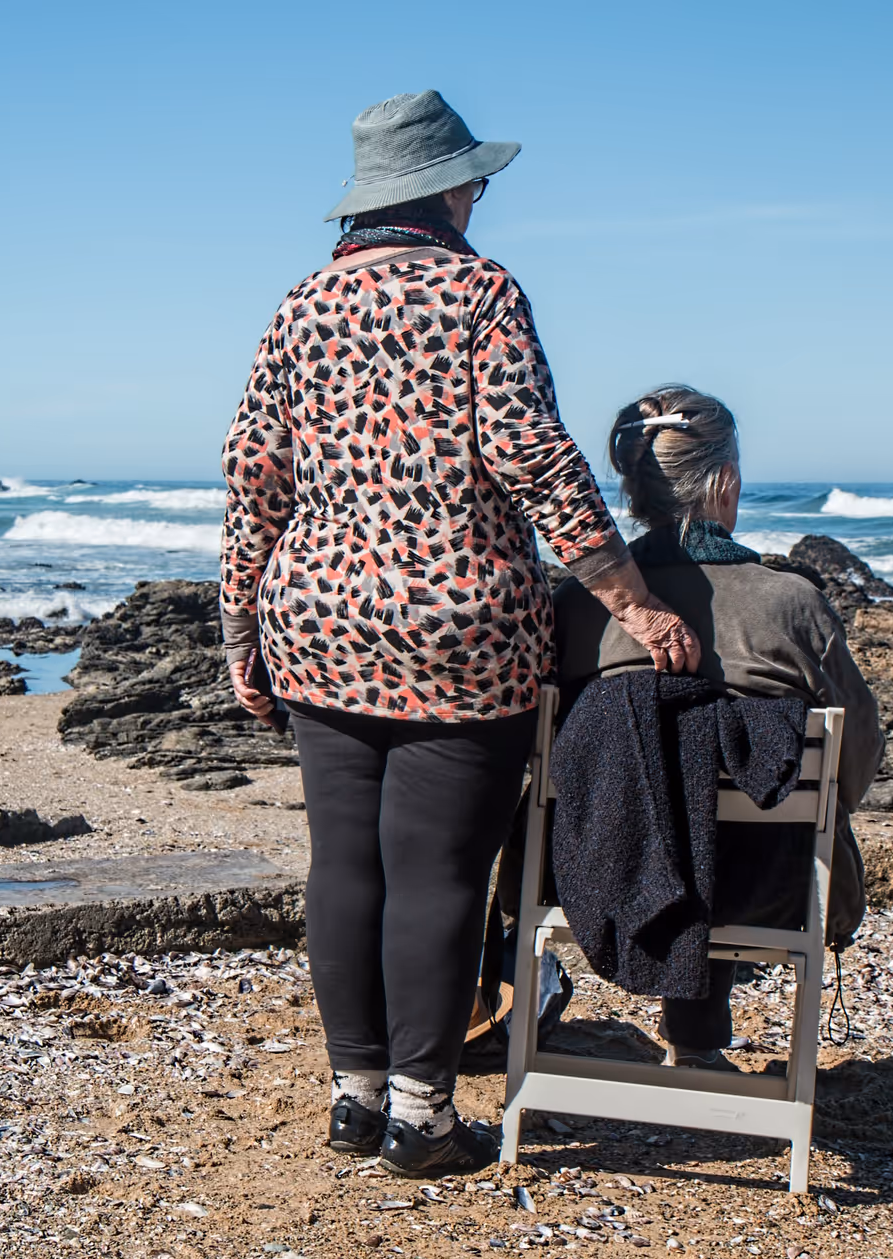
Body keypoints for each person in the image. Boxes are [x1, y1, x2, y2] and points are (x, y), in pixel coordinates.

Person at [219, 90, 703, 1175]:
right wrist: (628, 595)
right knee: (437, 870)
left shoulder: (302, 305)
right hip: (461, 625)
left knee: (344, 863)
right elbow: (532, 453)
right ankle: (421, 1115)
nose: (480, 195)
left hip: (320, 614)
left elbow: (254, 475)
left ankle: (353, 1095)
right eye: (474, 179)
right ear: (446, 187)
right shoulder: (481, 292)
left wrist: (240, 628)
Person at [548, 385, 884, 1069]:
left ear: (636, 489)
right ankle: (698, 1044)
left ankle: (683, 1043)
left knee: (659, 787)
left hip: (590, 876)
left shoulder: (578, 607)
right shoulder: (790, 603)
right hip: (769, 885)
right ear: (724, 481)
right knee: (734, 810)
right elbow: (857, 754)